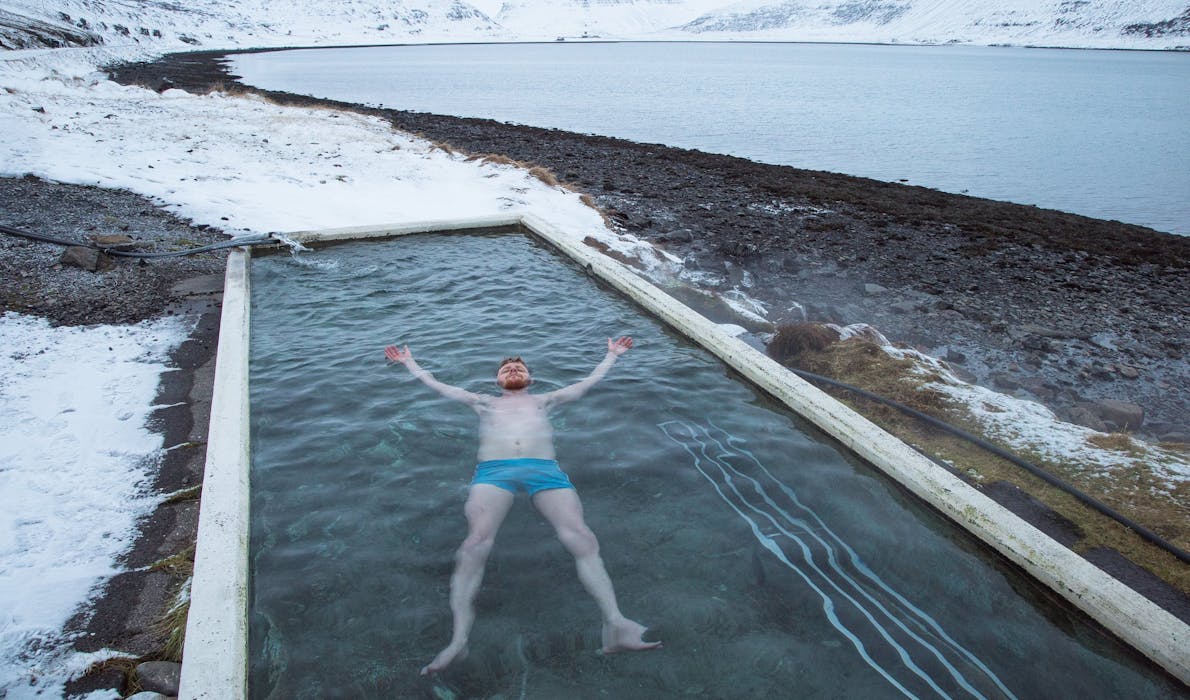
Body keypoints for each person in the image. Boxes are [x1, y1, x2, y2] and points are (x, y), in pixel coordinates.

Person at [384, 336, 661, 675]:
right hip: (493, 472)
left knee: (582, 537)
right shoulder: (482, 402)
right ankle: (459, 640)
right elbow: (437, 384)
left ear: (531, 379)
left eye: (519, 367)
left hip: (545, 471)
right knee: (474, 545)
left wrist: (611, 356)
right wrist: (409, 363)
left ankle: (615, 623)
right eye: (506, 368)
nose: (512, 368)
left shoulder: (545, 401)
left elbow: (588, 382)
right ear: (497, 381)